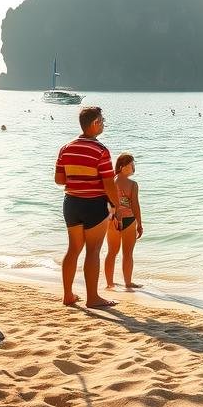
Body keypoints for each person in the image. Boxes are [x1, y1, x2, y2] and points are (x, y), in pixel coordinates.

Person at [54, 106, 121, 309]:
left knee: (73, 249)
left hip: (71, 203)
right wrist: (116, 205)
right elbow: (109, 183)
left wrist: (76, 179)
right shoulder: (100, 150)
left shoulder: (66, 147)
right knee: (93, 250)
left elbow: (59, 180)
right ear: (95, 123)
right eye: (102, 120)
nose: (104, 123)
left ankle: (68, 295)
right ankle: (93, 298)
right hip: (93, 204)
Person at [105, 153, 143, 291]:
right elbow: (135, 205)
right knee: (127, 253)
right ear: (122, 167)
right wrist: (140, 223)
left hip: (112, 219)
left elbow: (108, 202)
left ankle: (110, 283)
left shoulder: (111, 181)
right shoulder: (133, 184)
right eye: (131, 164)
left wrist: (114, 216)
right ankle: (127, 283)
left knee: (112, 252)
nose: (134, 167)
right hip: (128, 220)